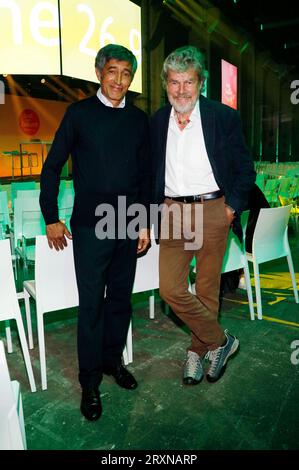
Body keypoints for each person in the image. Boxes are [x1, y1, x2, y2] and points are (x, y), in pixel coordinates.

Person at [40, 44, 151, 421]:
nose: (119, 80)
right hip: (91, 224)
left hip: (126, 221)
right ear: (99, 72)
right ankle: (89, 383)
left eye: (126, 74)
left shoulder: (139, 121)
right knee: (91, 307)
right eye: (113, 71)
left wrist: (144, 222)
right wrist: (50, 216)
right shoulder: (79, 114)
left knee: (120, 301)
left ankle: (111, 363)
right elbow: (52, 166)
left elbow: (146, 176)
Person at [151, 45, 255, 385]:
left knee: (208, 288)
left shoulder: (222, 117)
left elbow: (244, 169)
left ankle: (197, 352)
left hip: (213, 209)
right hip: (172, 212)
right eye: (174, 82)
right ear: (165, 84)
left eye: (189, 82)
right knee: (170, 289)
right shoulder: (156, 122)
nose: (181, 90)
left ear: (201, 83)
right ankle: (222, 341)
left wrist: (229, 208)